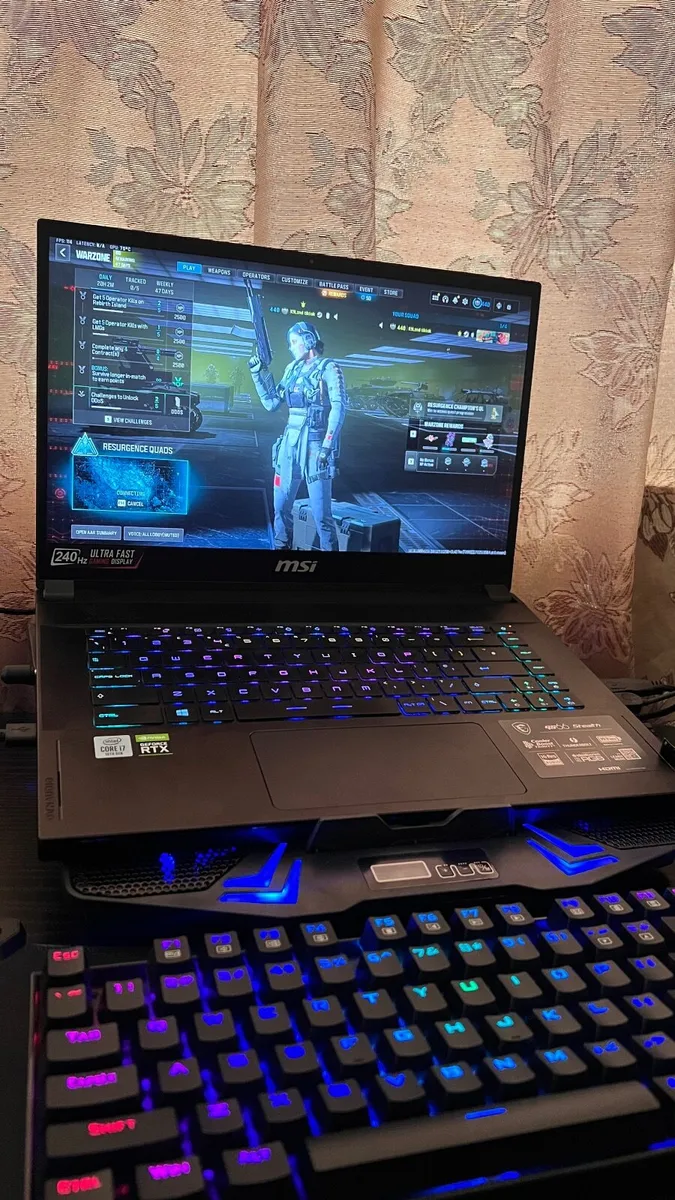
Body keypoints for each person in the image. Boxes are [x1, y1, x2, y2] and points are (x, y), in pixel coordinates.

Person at [249, 321, 347, 551]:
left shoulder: (329, 368)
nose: (291, 347)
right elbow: (272, 403)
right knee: (280, 507)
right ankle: (281, 549)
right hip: (289, 446)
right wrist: (257, 374)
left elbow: (339, 407)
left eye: (294, 342)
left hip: (315, 448)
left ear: (309, 340)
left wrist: (327, 446)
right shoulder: (291, 369)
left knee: (322, 516)